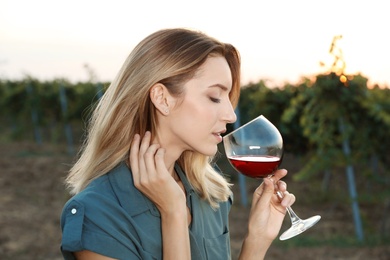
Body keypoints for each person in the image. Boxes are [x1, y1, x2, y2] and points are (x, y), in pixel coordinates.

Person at [60, 28, 296, 260]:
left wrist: (257, 240)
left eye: (228, 99)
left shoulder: (210, 194)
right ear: (162, 99)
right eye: (214, 97)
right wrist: (173, 212)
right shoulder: (98, 215)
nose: (230, 115)